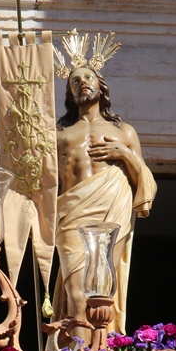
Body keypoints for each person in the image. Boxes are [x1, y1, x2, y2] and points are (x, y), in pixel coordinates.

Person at [53, 49, 156, 334]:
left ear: (101, 86)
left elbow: (146, 181)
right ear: (70, 94)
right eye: (75, 81)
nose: (82, 83)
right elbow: (42, 179)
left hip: (112, 209)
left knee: (101, 288)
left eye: (88, 77)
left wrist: (123, 153)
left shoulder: (124, 132)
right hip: (71, 212)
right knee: (76, 290)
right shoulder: (59, 133)